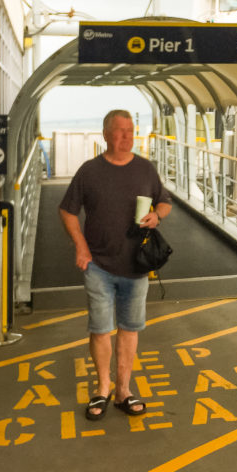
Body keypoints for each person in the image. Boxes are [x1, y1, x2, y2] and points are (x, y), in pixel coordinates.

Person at [59, 110, 173, 421]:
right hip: (98, 264)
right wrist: (81, 247)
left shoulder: (145, 169)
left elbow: (164, 201)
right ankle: (102, 387)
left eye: (130, 131)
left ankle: (123, 389)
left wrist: (157, 216)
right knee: (100, 329)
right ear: (106, 134)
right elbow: (67, 211)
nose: (125, 137)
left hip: (136, 266)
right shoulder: (90, 171)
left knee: (130, 329)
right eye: (119, 131)